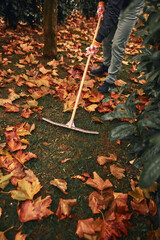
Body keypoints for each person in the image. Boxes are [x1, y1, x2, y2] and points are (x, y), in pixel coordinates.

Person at [86, 0, 145, 94]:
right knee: (106, 38)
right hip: (117, 3)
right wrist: (101, 3)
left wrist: (96, 42)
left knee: (117, 44)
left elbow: (112, 13)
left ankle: (110, 81)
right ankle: (106, 65)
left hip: (132, 6)